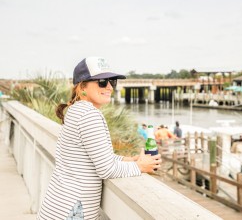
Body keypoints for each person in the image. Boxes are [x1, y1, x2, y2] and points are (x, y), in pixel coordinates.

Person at [37, 56, 161, 220]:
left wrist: (129, 160)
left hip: (57, 206)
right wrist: (140, 167)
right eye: (102, 81)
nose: (109, 87)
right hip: (72, 212)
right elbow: (107, 169)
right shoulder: (89, 116)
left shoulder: (75, 111)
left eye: (112, 82)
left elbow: (97, 156)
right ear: (82, 87)